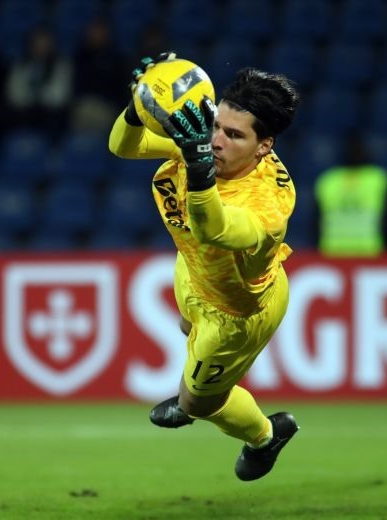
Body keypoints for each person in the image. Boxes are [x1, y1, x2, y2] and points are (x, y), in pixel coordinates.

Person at [108, 53, 301, 481]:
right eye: (216, 125)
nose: (216, 141)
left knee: (198, 403)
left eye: (234, 135)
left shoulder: (266, 206)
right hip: (194, 270)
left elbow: (213, 229)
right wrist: (140, 106)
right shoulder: (203, 140)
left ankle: (267, 436)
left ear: (264, 146)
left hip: (236, 309)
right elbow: (122, 146)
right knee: (184, 326)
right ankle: (194, 372)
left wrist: (197, 168)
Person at [315, 136, 387, 257]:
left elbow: (315, 222)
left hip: (334, 250)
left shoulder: (328, 180)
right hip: (367, 250)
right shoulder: (377, 178)